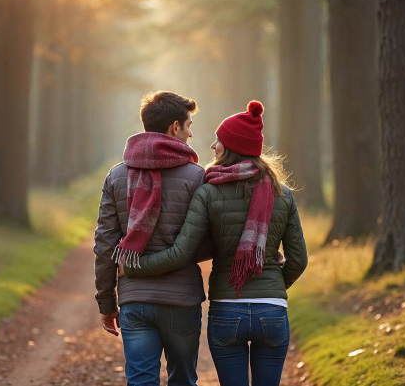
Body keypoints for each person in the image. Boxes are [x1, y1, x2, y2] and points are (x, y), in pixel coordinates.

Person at [122, 100, 308, 386]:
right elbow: (298, 260)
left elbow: (182, 251)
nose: (212, 146)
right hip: (272, 311)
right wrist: (271, 286)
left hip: (227, 310)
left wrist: (134, 267)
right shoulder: (282, 194)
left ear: (231, 148)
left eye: (219, 141)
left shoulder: (209, 192)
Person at [94, 91, 212, 386]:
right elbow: (207, 241)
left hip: (135, 300)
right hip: (181, 300)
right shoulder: (197, 177)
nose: (191, 132)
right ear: (175, 127)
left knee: (141, 382)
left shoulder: (116, 176)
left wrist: (107, 302)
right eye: (188, 124)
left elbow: (105, 245)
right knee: (183, 381)